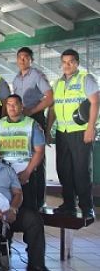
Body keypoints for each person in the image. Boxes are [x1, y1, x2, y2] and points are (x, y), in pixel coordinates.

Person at [0, 138, 54, 271]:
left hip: (9, 210)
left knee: (34, 219)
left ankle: (36, 264)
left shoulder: (7, 169)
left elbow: (18, 193)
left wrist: (13, 209)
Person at [47, 49, 99, 219]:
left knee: (81, 170)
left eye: (71, 62)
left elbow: (95, 102)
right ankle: (69, 204)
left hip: (80, 132)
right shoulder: (58, 83)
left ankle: (87, 207)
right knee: (64, 170)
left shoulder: (85, 78)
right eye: (64, 62)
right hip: (62, 132)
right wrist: (48, 130)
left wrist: (91, 127)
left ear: (77, 63)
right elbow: (53, 108)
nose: (67, 65)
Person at [0, 95, 46, 211]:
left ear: (21, 106)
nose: (11, 107)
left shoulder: (32, 124)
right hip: (3, 175)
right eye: (8, 104)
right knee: (5, 210)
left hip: (25, 175)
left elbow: (40, 151)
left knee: (29, 211)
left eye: (15, 104)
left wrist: (27, 172)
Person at [13, 47, 53, 128]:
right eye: (19, 58)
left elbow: (50, 97)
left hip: (36, 117)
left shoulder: (37, 75)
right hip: (21, 118)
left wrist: (31, 111)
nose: (22, 60)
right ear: (17, 60)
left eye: (25, 57)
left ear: (32, 60)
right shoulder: (16, 79)